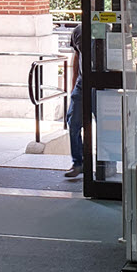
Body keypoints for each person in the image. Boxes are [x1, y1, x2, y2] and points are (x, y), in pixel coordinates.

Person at [64, 22, 83, 178]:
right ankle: (78, 163)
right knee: (73, 123)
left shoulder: (107, 28)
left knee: (105, 126)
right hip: (82, 85)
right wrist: (73, 82)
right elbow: (76, 56)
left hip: (101, 85)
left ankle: (105, 165)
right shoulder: (78, 31)